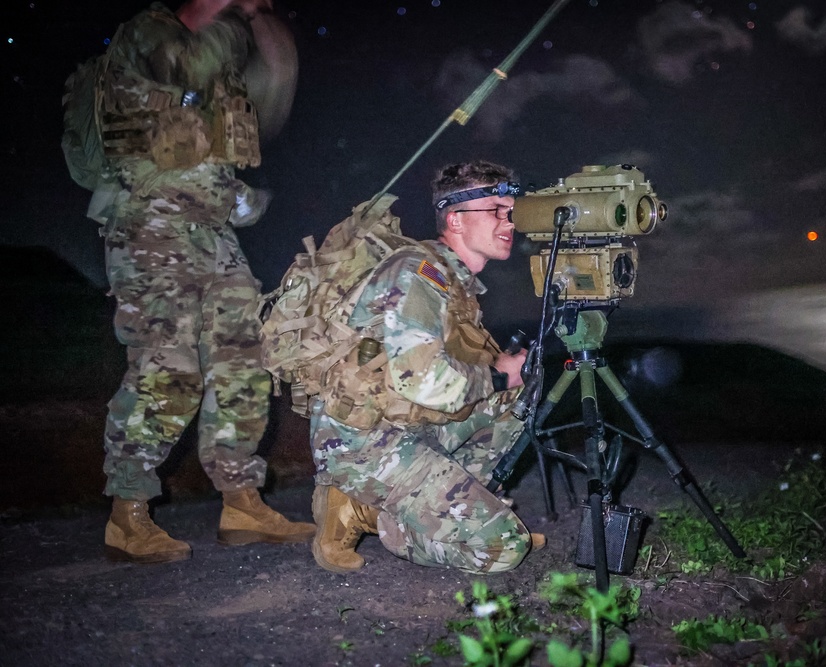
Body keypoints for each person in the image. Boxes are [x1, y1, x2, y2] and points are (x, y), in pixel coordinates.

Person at [97, 0, 314, 564]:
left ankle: (242, 502)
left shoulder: (220, 62)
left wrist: (267, 31)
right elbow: (184, 64)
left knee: (244, 368)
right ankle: (127, 513)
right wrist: (231, 14)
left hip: (213, 233)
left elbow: (266, 106)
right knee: (166, 373)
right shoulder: (147, 34)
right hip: (151, 229)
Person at [309, 160, 546, 574]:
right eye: (496, 210)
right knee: (503, 548)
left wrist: (506, 378)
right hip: (365, 442)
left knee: (519, 393)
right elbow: (421, 380)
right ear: (455, 218)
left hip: (409, 425)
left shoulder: (456, 284)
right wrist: (496, 375)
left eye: (512, 212)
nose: (510, 222)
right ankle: (362, 509)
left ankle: (463, 513)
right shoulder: (418, 273)